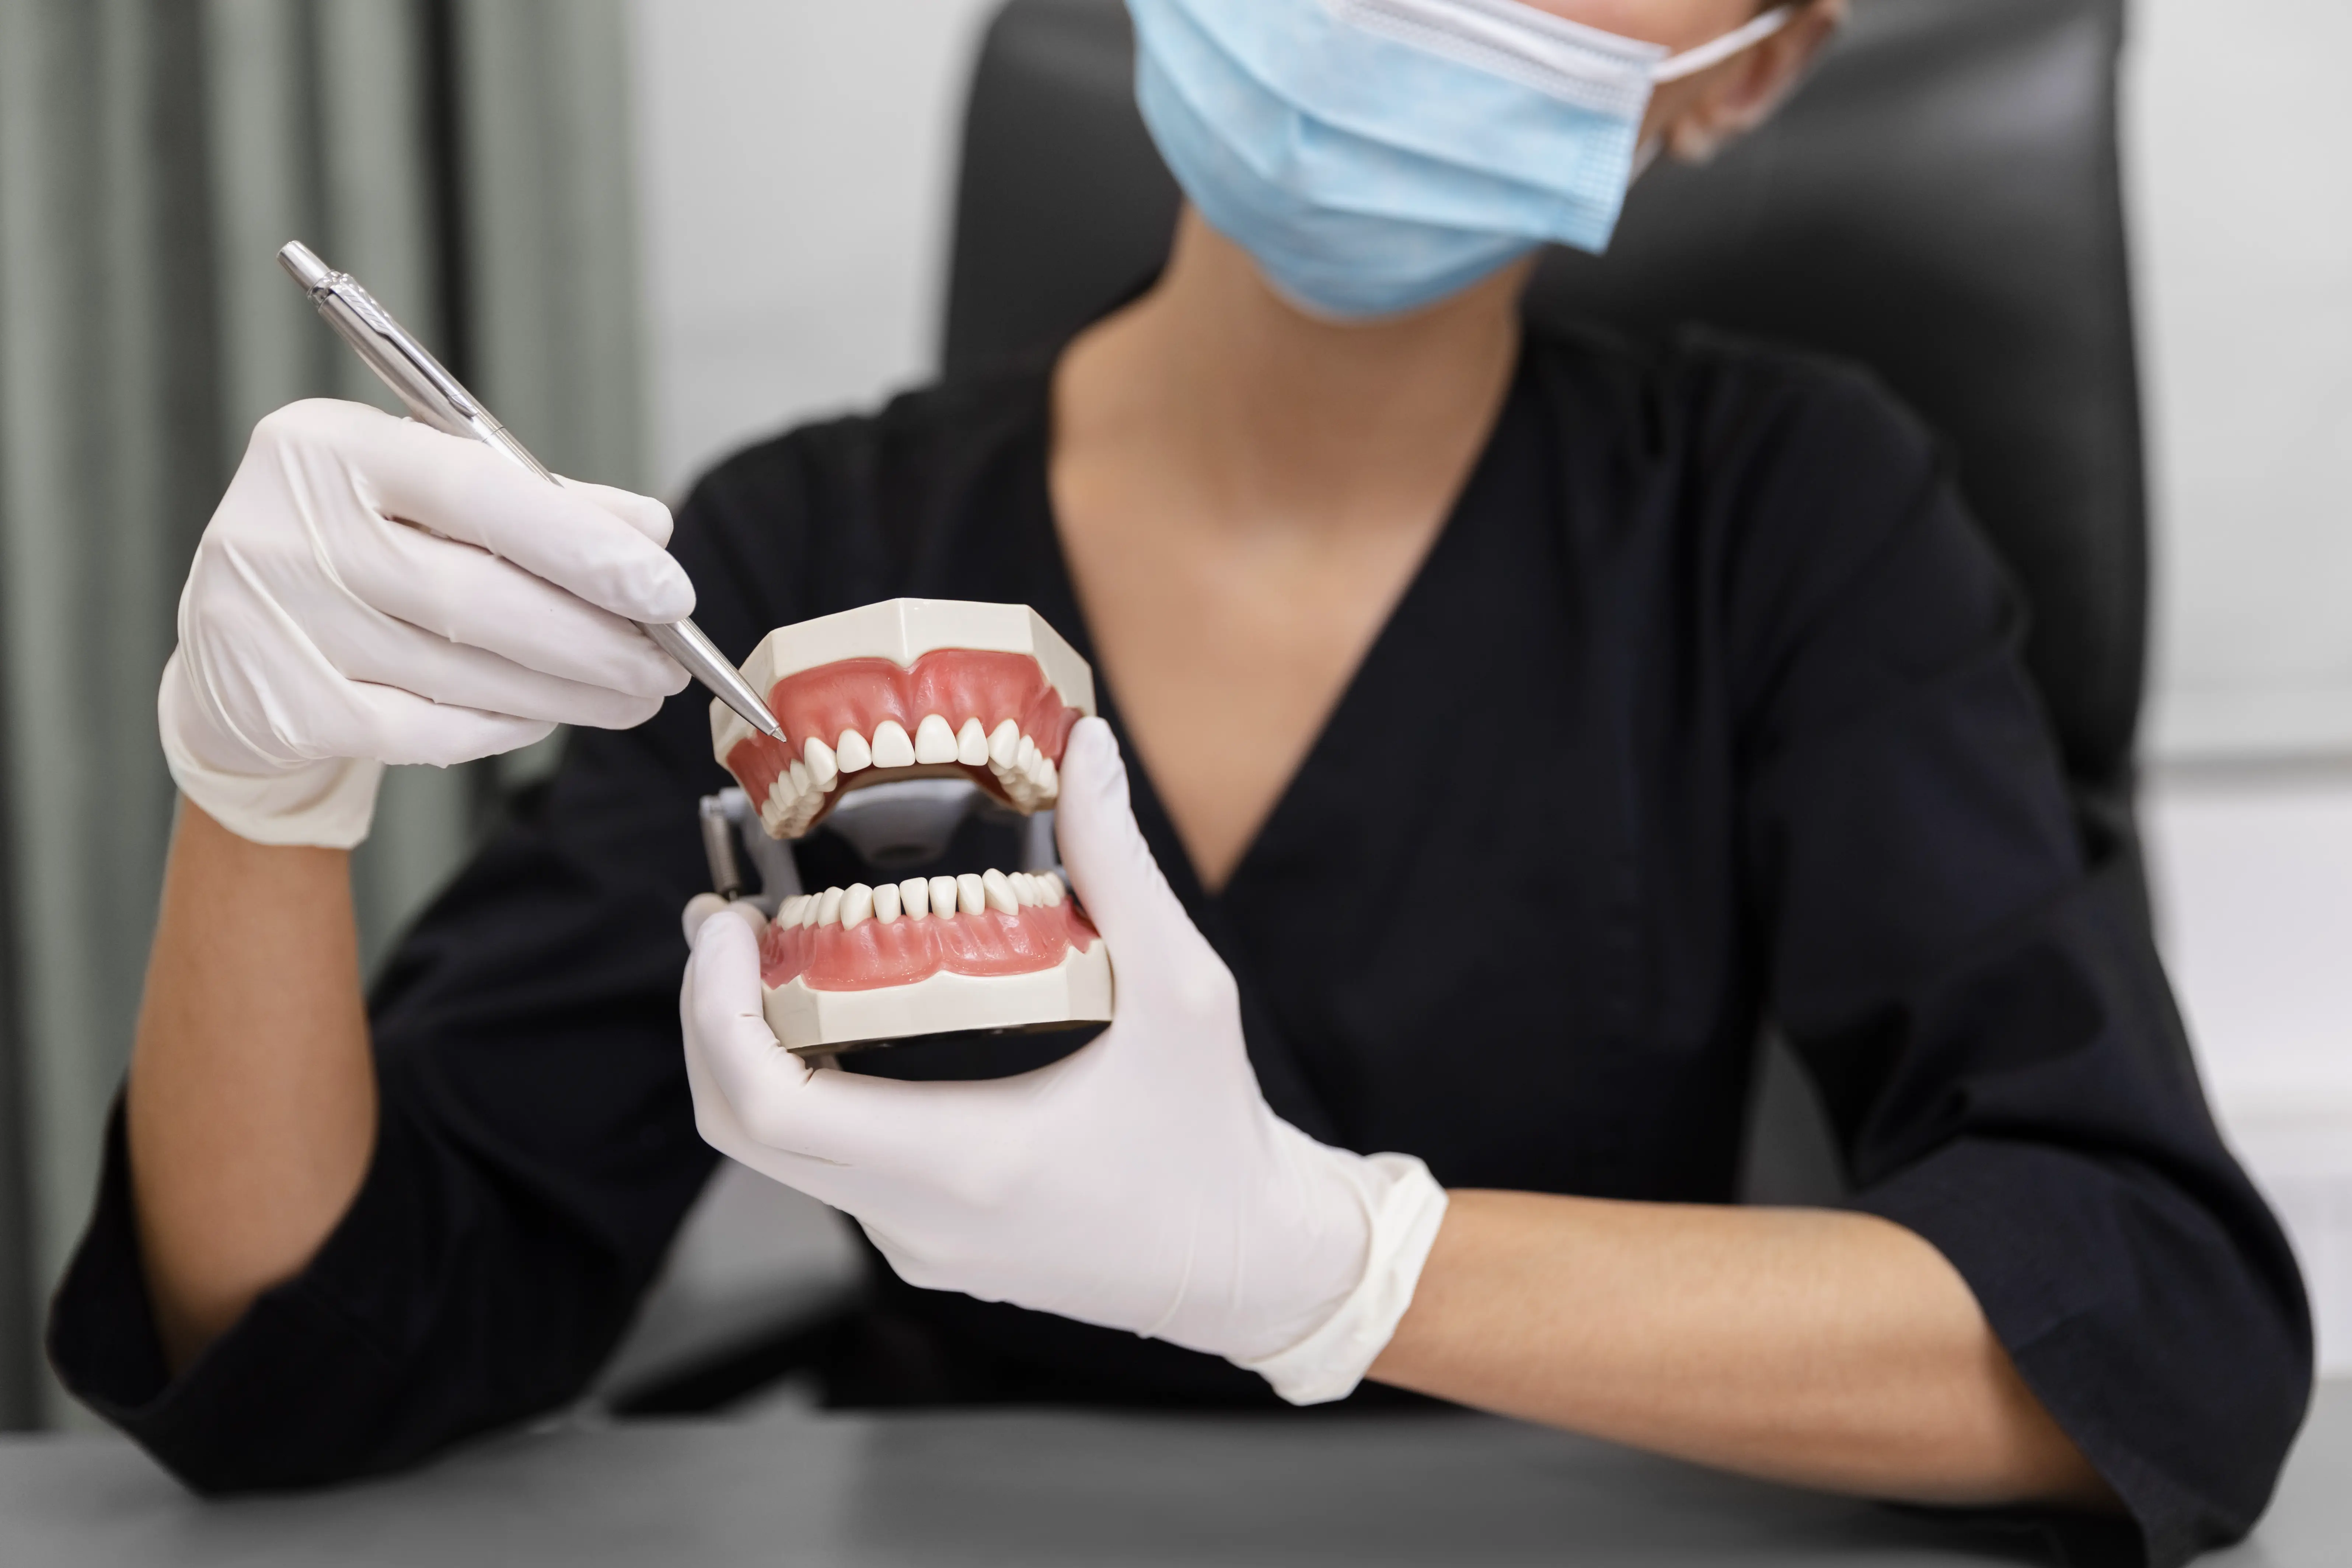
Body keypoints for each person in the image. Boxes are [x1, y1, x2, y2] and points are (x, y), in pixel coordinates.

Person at [48, 2, 2307, 1564]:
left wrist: (1341, 1265)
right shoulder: (808, 563)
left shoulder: (1792, 519)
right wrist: (263, 793)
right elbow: (296, 1351)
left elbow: (2148, 1328)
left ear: (1747, 68)